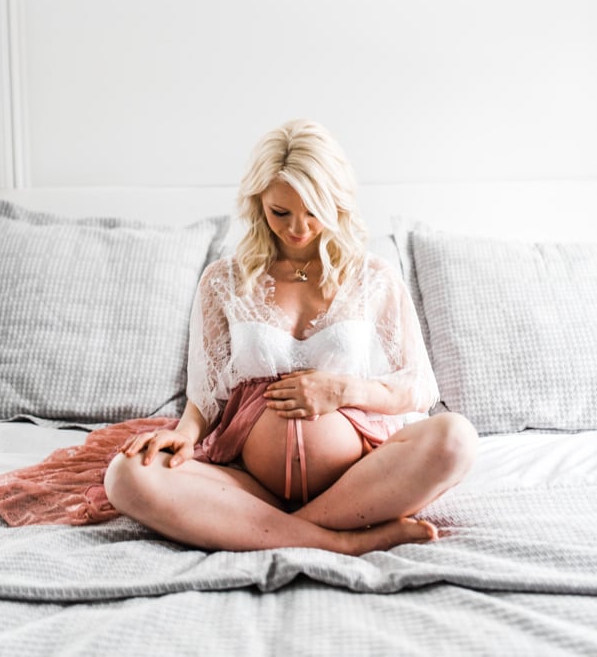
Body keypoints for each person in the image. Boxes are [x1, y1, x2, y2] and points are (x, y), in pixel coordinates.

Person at [104, 119, 477, 554]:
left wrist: (342, 390)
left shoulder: (373, 277)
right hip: (246, 481)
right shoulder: (223, 281)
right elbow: (204, 396)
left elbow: (419, 388)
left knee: (457, 438)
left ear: (336, 203)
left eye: (314, 212)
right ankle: (338, 541)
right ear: (258, 200)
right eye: (280, 212)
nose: (297, 229)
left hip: (358, 479)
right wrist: (186, 434)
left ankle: (265, 531)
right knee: (125, 475)